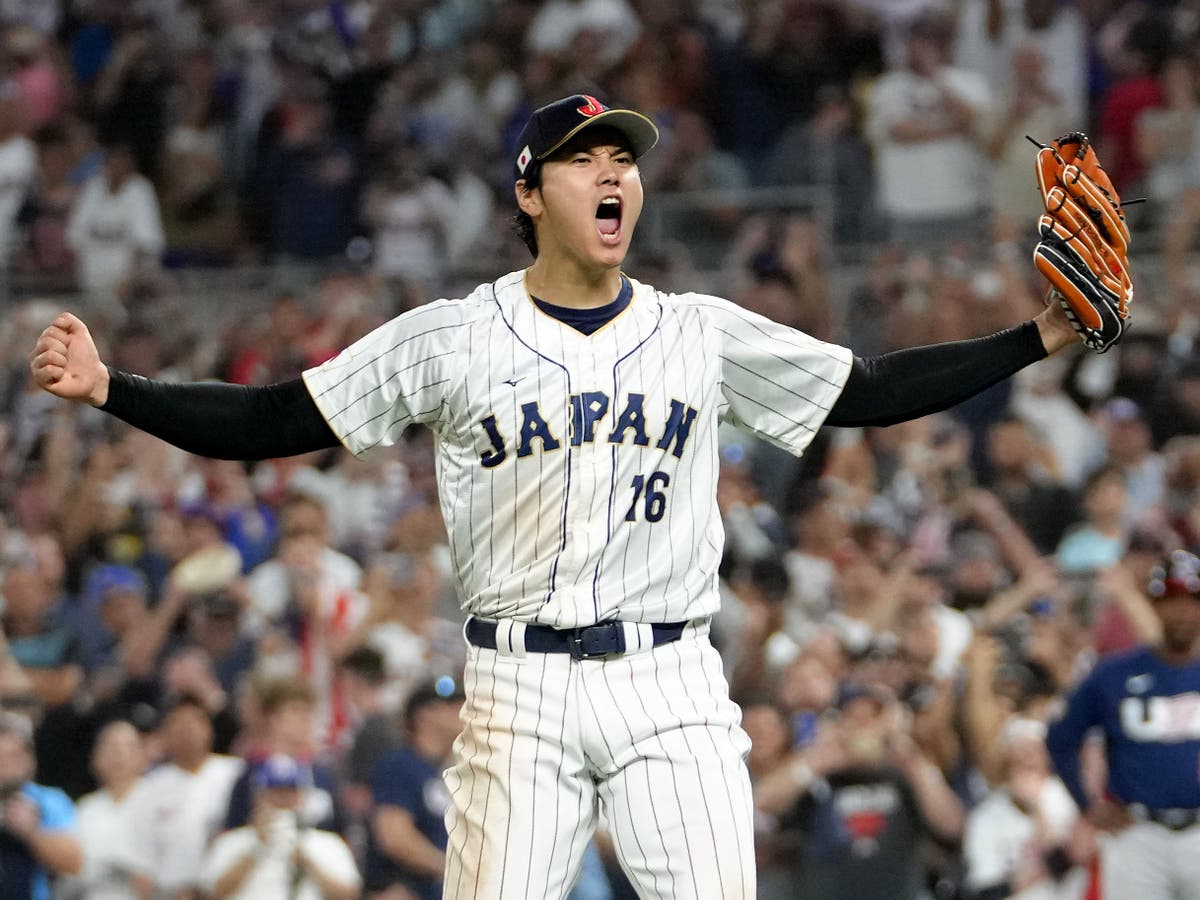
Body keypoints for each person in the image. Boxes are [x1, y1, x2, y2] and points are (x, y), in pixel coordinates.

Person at [31, 92, 1085, 898]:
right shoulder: (452, 338)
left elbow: (871, 390)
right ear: (531, 194)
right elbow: (271, 420)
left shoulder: (696, 332)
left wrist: (1041, 335)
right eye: (585, 159)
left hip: (670, 680)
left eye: (624, 157)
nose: (612, 172)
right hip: (514, 690)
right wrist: (114, 389)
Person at [1045, 548, 1200, 899]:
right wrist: (1088, 805)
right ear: (1154, 605)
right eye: (1174, 600)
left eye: (1193, 600)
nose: (1184, 611)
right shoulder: (1113, 673)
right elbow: (1060, 738)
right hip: (1137, 833)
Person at [203, 753, 360, 900]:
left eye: (289, 793)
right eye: (274, 793)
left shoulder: (328, 842)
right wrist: (256, 848)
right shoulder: (232, 841)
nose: (282, 801)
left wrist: (306, 860)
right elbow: (213, 892)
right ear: (258, 797)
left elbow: (349, 893)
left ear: (302, 797)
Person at [0, 711, 82, 900]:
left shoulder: (49, 799)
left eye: (15, 755)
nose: (7, 764)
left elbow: (73, 863)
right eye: (1, 757)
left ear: (31, 759)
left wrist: (32, 833)